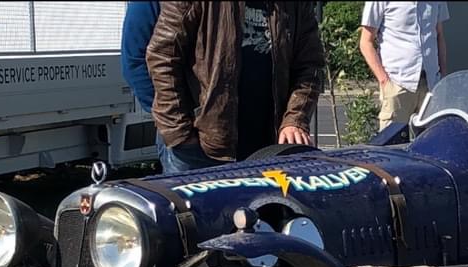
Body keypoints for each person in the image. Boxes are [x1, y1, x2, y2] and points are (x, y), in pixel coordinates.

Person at [147, 2, 324, 172]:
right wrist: (179, 131)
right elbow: (162, 56)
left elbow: (310, 66)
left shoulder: (297, 5)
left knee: (266, 203)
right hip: (199, 147)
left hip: (268, 148)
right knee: (196, 204)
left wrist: (295, 119)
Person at [359, 2, 449, 131]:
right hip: (398, 83)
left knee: (430, 144)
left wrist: (443, 76)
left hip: (431, 84)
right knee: (392, 143)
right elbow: (365, 42)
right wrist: (385, 81)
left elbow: (439, 34)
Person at [120, 1, 168, 170]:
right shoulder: (148, 4)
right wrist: (172, 121)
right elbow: (133, 61)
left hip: (245, 132)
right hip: (190, 139)